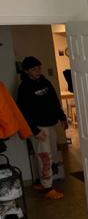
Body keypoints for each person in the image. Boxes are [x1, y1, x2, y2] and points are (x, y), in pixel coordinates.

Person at [17, 56, 68, 200]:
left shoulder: (45, 82)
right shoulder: (24, 88)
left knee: (51, 154)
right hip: (39, 128)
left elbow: (54, 101)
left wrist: (62, 117)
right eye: (33, 69)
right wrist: (35, 130)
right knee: (45, 158)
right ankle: (48, 188)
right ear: (27, 71)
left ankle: (41, 181)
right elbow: (23, 112)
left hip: (51, 124)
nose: (38, 71)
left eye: (39, 68)